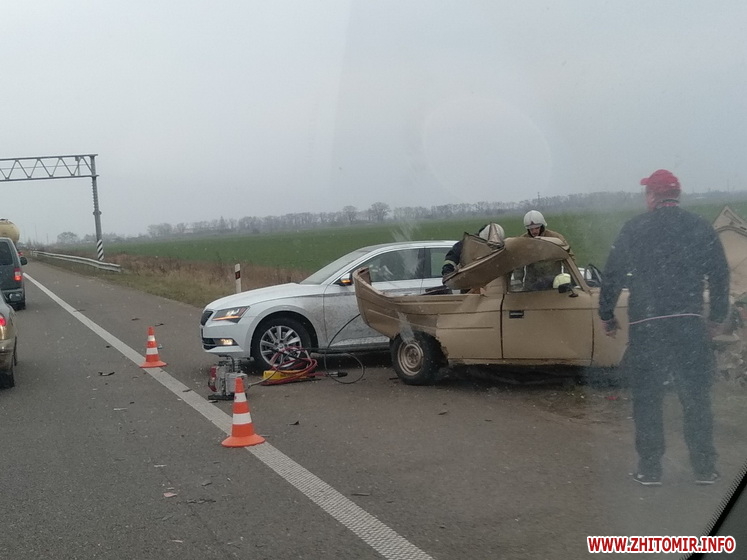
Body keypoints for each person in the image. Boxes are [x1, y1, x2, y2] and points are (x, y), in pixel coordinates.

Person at [598, 169, 730, 487]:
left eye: (647, 193)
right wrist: (716, 317)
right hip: (688, 324)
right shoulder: (699, 226)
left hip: (647, 327)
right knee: (695, 397)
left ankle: (650, 470)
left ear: (653, 196)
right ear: (676, 195)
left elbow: (613, 273)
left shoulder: (634, 228)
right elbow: (720, 274)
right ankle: (704, 469)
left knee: (647, 399)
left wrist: (606, 314)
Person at [519, 210, 574, 290]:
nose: (534, 231)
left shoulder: (556, 238)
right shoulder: (523, 241)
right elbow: (517, 263)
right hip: (531, 285)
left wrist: (567, 278)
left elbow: (569, 257)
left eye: (537, 228)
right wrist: (518, 282)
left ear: (542, 226)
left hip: (553, 283)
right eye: (531, 229)